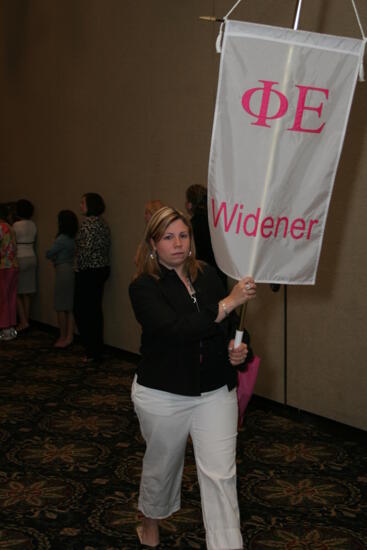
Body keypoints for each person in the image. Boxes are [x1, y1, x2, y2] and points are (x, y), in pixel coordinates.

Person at [129, 206, 256, 549]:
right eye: (168, 237)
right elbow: (174, 330)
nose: (178, 243)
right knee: (162, 467)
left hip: (215, 390)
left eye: (183, 235)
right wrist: (227, 304)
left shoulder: (208, 276)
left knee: (221, 475)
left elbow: (230, 328)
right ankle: (150, 519)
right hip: (164, 393)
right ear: (154, 244)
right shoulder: (144, 286)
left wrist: (237, 349)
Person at [74, 193, 111, 363]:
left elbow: (85, 252)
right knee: (95, 311)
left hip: (88, 272)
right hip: (101, 270)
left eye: (83, 202)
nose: (80, 205)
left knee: (83, 311)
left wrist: (78, 269)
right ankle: (98, 348)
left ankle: (91, 350)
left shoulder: (88, 224)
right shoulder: (103, 224)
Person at [46, 210, 78, 348]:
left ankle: (62, 336)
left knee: (60, 306)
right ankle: (69, 336)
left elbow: (49, 254)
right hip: (71, 269)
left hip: (62, 271)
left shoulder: (61, 239)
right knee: (70, 307)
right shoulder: (72, 238)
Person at [185, 184, 227, 287]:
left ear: (190, 204)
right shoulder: (218, 221)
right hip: (220, 272)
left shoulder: (192, 224)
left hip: (201, 273)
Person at [12, 199, 37, 332]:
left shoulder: (16, 225)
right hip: (32, 256)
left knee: (17, 292)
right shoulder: (33, 224)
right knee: (27, 292)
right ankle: (26, 319)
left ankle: (23, 321)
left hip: (20, 257)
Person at [0, 204, 19, 341]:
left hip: (3, 266)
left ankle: (5, 328)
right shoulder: (10, 227)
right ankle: (11, 327)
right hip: (13, 264)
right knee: (11, 296)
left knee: (3, 298)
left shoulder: (0, 227)